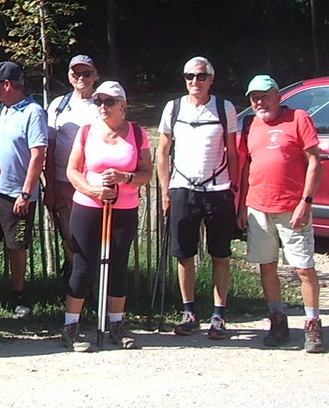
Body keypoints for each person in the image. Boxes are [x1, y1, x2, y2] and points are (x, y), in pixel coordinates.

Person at [237, 74, 325, 353]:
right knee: (267, 265)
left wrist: (305, 202)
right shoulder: (250, 124)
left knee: (303, 268)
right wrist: (242, 206)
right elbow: (246, 166)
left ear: (278, 95)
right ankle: (277, 319)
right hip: (258, 207)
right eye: (254, 98)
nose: (259, 102)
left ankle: (312, 323)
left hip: (292, 208)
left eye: (265, 96)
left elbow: (314, 161)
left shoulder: (298, 118)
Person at [155, 57, 240, 339]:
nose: (195, 81)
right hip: (183, 189)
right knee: (184, 254)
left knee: (220, 254)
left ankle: (219, 315)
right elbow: (162, 152)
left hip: (217, 190)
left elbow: (233, 152)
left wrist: (235, 189)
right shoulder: (173, 108)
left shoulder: (224, 108)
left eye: (201, 76)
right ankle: (189, 312)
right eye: (190, 76)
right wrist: (166, 191)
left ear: (211, 79)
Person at [64, 81, 152, 351]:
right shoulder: (86, 132)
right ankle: (70, 327)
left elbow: (146, 173)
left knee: (118, 265)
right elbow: (72, 171)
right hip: (88, 206)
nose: (103, 106)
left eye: (109, 101)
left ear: (122, 105)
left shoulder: (138, 134)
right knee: (83, 265)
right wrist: (92, 190)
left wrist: (125, 177)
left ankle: (116, 324)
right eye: (98, 101)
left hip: (124, 207)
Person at [0, 62, 48, 317]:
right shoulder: (2, 110)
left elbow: (38, 154)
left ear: (7, 84)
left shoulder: (33, 112)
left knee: (17, 245)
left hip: (16, 193)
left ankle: (19, 294)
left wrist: (26, 193)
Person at [45, 55, 99, 271]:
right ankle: (76, 277)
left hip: (93, 184)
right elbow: (49, 147)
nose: (81, 78)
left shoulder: (104, 103)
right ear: (69, 76)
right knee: (69, 235)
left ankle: (94, 280)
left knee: (93, 234)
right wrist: (50, 186)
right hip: (63, 182)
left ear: (96, 76)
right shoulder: (58, 106)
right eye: (76, 73)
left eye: (87, 73)